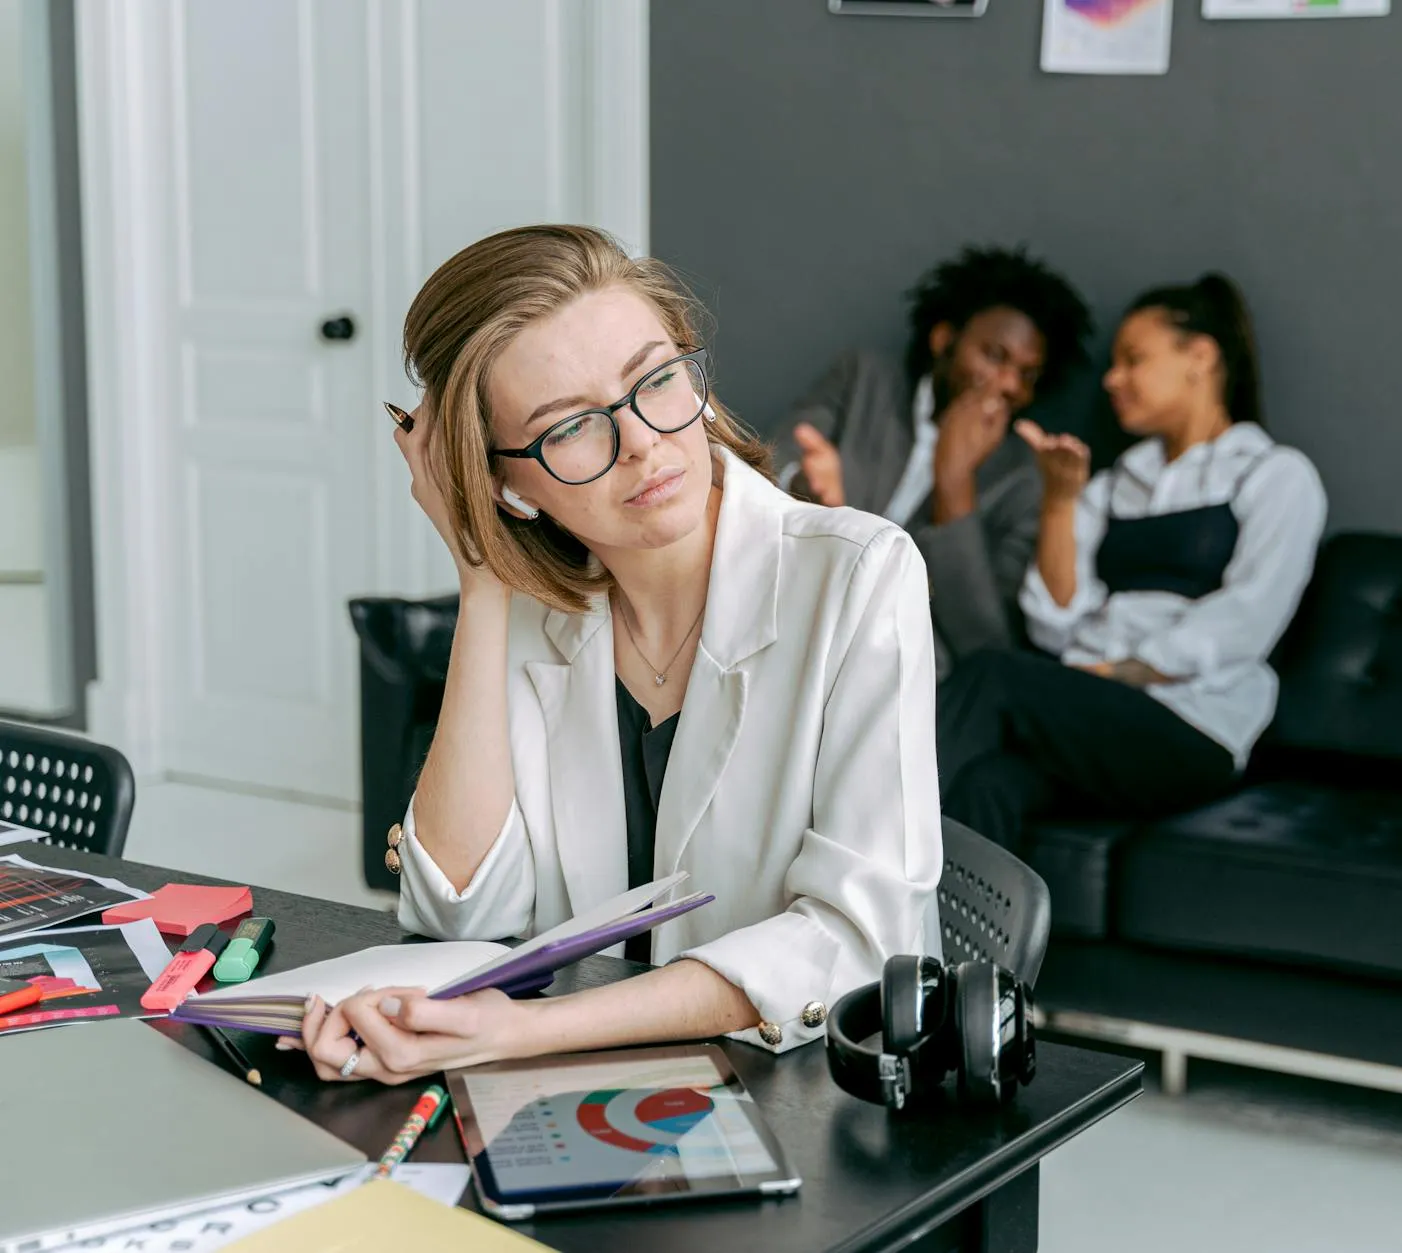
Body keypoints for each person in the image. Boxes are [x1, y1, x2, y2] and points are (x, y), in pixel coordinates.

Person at [291, 225, 942, 1084]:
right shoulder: (532, 613)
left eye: (657, 380)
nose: (641, 442)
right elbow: (461, 912)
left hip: (812, 1101)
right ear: (503, 480)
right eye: (570, 429)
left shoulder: (858, 573)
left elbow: (854, 942)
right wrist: (480, 576)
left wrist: (529, 1032)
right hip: (583, 1099)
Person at [936, 273, 1327, 851]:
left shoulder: (1274, 475)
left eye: (1133, 360)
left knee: (994, 675)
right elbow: (1055, 622)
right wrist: (1060, 503)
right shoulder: (1116, 484)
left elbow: (1249, 617)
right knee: (989, 786)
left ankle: (853, 843)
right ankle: (936, 942)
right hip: (1095, 715)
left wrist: (1117, 672)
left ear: (1200, 357)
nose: (1113, 380)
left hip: (1192, 730)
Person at [783, 246, 1093, 674]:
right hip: (798, 609)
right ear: (944, 339)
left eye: (1027, 375)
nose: (1007, 385)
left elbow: (985, 643)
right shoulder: (864, 380)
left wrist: (955, 482)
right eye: (994, 355)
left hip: (907, 673)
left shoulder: (1023, 477)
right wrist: (808, 491)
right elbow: (773, 464)